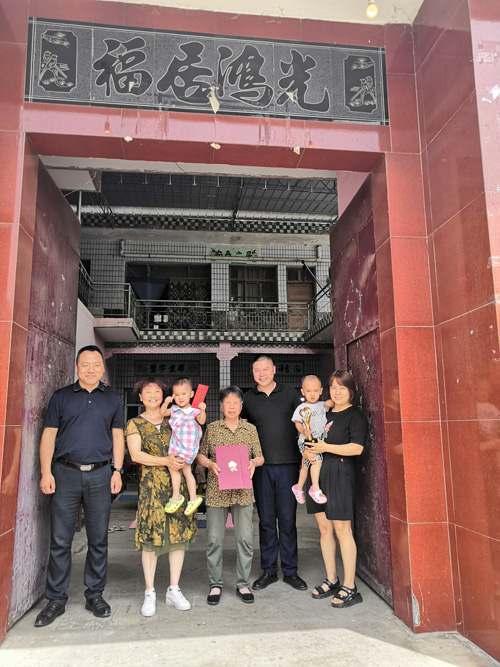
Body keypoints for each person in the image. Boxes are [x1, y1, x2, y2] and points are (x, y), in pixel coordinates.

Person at [34, 346, 125, 628]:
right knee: (61, 540)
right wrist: (46, 472)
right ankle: (56, 599)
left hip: (100, 475)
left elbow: (118, 436)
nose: (91, 369)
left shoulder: (112, 399)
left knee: (98, 539)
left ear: (102, 368)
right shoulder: (61, 397)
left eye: (96, 364)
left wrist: (117, 470)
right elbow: (49, 436)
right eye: (85, 364)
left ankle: (94, 595)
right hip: (65, 474)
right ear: (76, 367)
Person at [126, 378, 197, 617]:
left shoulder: (174, 417)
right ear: (140, 397)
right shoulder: (135, 423)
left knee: (178, 537)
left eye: (157, 391)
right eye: (148, 392)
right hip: (152, 488)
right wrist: (165, 461)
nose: (153, 395)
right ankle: (149, 592)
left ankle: (173, 589)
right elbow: (136, 455)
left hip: (177, 488)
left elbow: (192, 437)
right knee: (150, 538)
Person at [241, 355, 307, 591]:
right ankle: (269, 570)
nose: (261, 373)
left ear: (274, 370)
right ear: (253, 373)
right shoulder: (248, 398)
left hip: (289, 465)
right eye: (257, 370)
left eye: (265, 369)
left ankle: (290, 571)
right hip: (260, 468)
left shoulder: (290, 394)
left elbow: (308, 417)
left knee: (288, 520)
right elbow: (241, 429)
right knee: (266, 521)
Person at [304, 370, 368, 607]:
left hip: (340, 473)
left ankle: (350, 586)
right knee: (324, 529)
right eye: (333, 387)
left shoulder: (355, 417)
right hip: (318, 474)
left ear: (351, 390)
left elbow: (357, 448)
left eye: (342, 387)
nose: (337, 392)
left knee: (342, 530)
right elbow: (312, 440)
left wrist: (326, 447)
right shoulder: (323, 414)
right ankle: (332, 579)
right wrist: (309, 452)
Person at [197, 386, 264, 605]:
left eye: (236, 402)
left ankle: (243, 583)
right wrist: (209, 464)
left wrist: (253, 462)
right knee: (214, 539)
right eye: (228, 402)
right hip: (217, 491)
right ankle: (215, 584)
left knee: (244, 539)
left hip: (243, 492)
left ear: (241, 405)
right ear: (221, 406)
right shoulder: (213, 429)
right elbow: (200, 455)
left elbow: (260, 456)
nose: (232, 406)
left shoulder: (250, 429)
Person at [159, 377, 205, 516]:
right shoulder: (174, 409)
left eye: (184, 394)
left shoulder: (194, 410)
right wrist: (166, 402)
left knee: (176, 469)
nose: (180, 397)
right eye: (176, 395)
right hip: (176, 446)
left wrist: (203, 410)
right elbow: (162, 413)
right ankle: (193, 498)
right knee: (186, 471)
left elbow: (202, 421)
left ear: (191, 394)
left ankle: (177, 496)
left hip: (187, 447)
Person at [291, 374, 333, 505]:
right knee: (317, 461)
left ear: (321, 391)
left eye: (315, 391)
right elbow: (297, 423)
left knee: (305, 465)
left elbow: (332, 403)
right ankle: (315, 489)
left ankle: (298, 488)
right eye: (308, 391)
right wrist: (303, 431)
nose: (312, 394)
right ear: (303, 392)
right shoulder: (301, 408)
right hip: (306, 441)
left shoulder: (322, 405)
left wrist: (330, 402)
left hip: (318, 440)